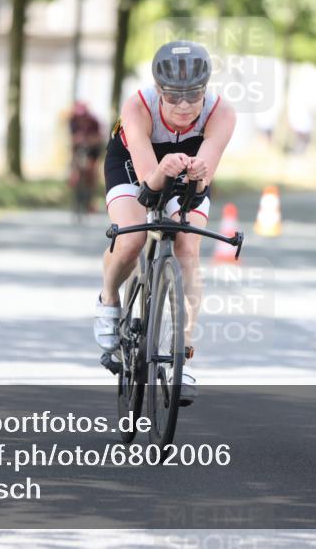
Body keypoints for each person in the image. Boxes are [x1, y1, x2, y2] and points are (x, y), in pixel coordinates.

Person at [95, 40, 236, 404]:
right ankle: (109, 299)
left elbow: (204, 178)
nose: (185, 106)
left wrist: (199, 177)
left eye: (193, 96)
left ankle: (183, 352)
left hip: (186, 167)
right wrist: (161, 173)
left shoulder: (221, 113)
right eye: (173, 97)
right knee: (131, 239)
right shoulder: (137, 107)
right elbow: (147, 185)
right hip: (132, 164)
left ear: (205, 90)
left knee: (188, 246)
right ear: (158, 91)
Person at [68, 101, 103, 213]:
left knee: (92, 171)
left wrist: (90, 140)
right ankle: (74, 182)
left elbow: (99, 138)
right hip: (79, 147)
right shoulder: (72, 120)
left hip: (93, 149)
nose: (81, 119)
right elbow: (72, 137)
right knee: (74, 163)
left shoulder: (94, 121)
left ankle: (91, 199)